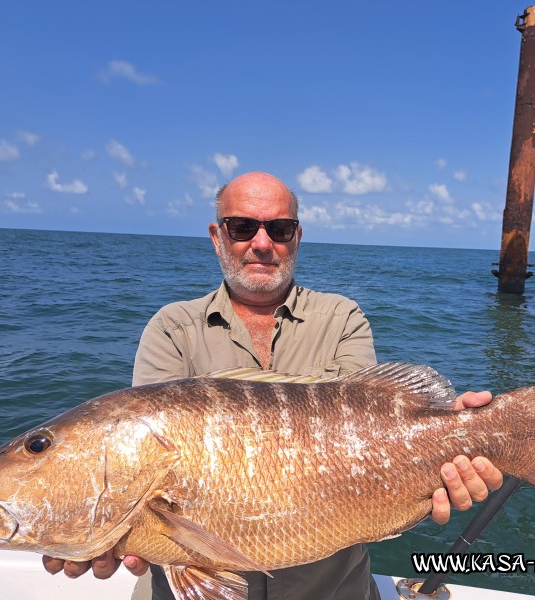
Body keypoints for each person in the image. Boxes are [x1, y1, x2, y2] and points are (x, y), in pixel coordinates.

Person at [43, 171, 503, 599]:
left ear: (296, 238)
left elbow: (371, 431)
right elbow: (143, 477)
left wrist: (459, 437)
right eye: (242, 227)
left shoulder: (342, 318)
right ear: (217, 236)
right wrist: (99, 531)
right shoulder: (172, 328)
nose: (261, 243)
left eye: (279, 229)